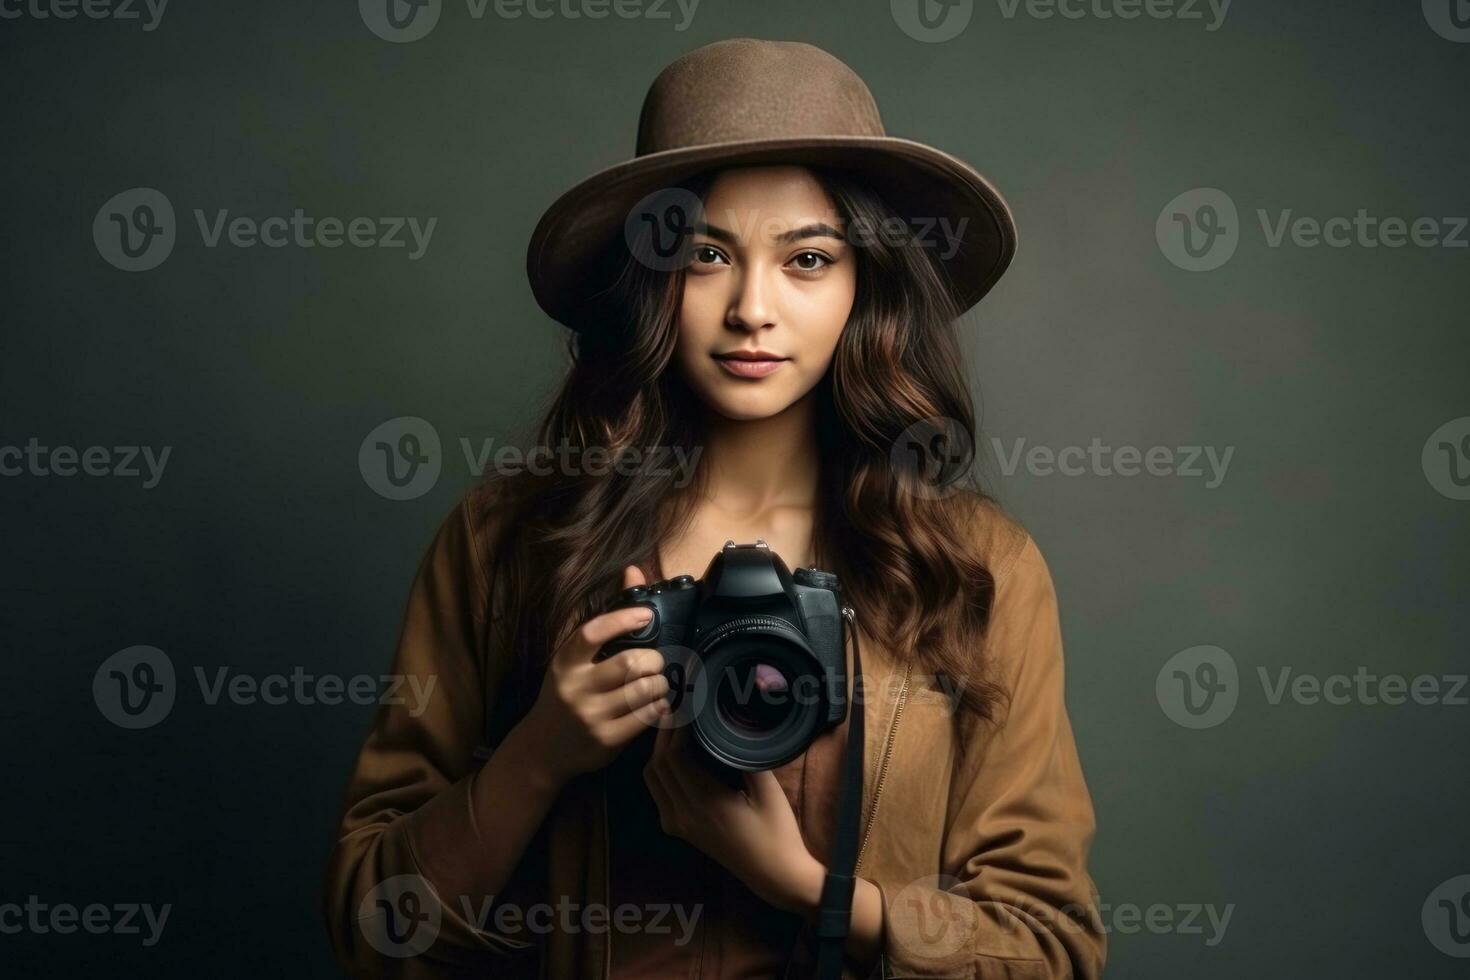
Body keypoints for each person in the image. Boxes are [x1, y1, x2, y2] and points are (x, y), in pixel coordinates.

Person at [322, 37, 1107, 980]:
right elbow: (373, 927)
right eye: (706, 255)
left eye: (808, 258)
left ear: (867, 288)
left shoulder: (974, 569)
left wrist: (802, 887)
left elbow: (1052, 950)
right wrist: (539, 753)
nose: (752, 308)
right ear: (650, 279)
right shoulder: (508, 544)